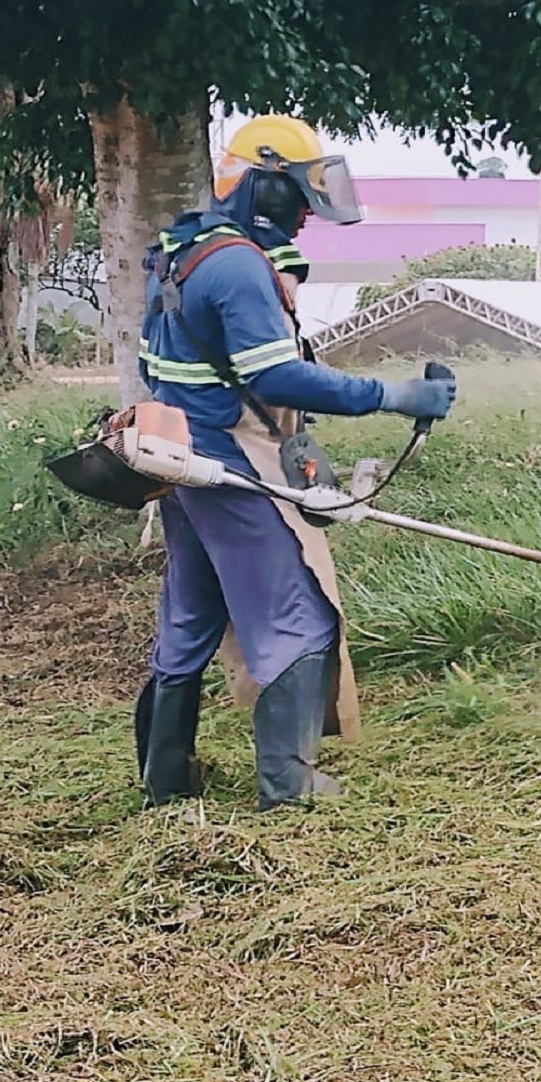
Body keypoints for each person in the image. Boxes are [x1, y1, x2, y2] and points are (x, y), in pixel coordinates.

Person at [135, 114, 457, 813]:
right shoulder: (239, 267)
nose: (307, 212)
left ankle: (167, 778)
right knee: (299, 612)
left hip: (176, 459)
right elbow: (276, 377)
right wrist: (394, 394)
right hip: (228, 464)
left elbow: (160, 367)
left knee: (191, 613)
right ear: (265, 187)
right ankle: (289, 785)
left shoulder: (182, 250)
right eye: (297, 194)